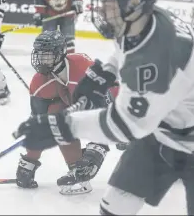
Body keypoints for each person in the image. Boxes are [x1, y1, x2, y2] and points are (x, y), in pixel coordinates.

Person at [15, 0, 194, 215]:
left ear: (134, 2)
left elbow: (127, 124)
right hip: (166, 125)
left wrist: (61, 126)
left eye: (111, 1)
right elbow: (124, 51)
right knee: (115, 205)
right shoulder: (142, 20)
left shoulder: (156, 57)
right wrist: (103, 73)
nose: (103, 7)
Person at [15, 30, 118, 195]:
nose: (41, 59)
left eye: (47, 55)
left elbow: (104, 104)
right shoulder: (39, 83)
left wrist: (96, 151)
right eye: (39, 54)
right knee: (55, 116)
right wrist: (29, 160)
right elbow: (40, 125)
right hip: (81, 108)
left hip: (117, 103)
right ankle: (77, 169)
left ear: (60, 53)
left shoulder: (82, 66)